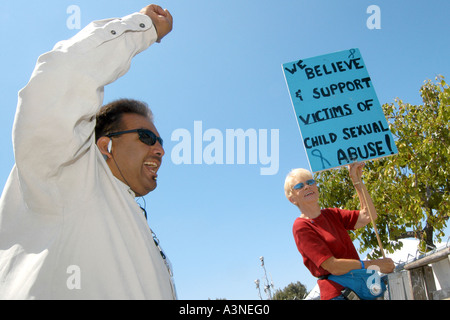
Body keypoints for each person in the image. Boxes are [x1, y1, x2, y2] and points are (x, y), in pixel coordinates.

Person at [0, 4, 175, 299]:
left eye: (161, 143)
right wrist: (142, 28)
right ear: (106, 145)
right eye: (147, 137)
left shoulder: (131, 219)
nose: (159, 150)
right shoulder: (69, 174)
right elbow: (57, 77)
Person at [285, 162, 395, 300]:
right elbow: (333, 266)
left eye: (310, 182)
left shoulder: (332, 214)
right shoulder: (301, 226)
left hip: (361, 288)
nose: (307, 186)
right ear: (292, 199)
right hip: (339, 294)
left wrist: (357, 180)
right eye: (299, 186)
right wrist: (375, 265)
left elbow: (369, 216)